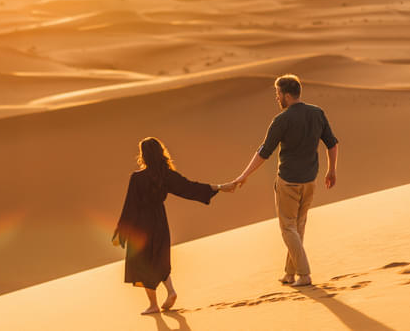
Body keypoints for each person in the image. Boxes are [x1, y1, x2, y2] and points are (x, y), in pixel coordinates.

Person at [231, 74, 339, 287]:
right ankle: (290, 274)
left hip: (289, 181)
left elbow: (264, 151)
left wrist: (244, 175)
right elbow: (332, 144)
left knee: (288, 228)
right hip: (310, 180)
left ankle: (304, 273)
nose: (276, 97)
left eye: (278, 93)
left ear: (287, 95)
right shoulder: (317, 113)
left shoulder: (282, 120)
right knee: (297, 227)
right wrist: (331, 171)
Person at [113, 137, 236, 314]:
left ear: (144, 156)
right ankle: (170, 291)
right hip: (160, 220)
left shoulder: (137, 178)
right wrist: (219, 187)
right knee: (158, 257)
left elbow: (130, 206)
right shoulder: (166, 175)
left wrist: (122, 230)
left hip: (141, 224)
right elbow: (190, 188)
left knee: (143, 263)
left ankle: (153, 304)